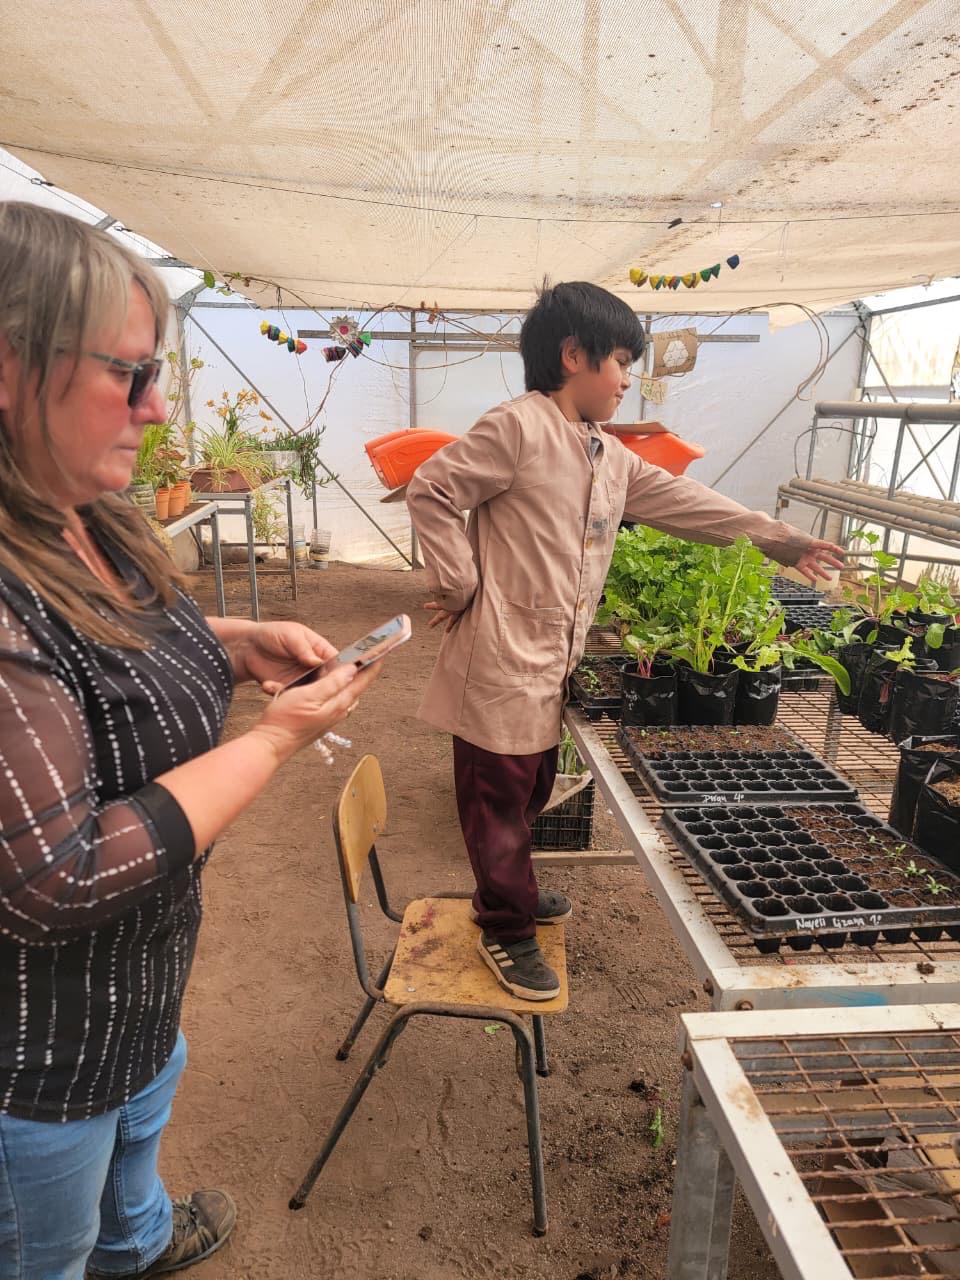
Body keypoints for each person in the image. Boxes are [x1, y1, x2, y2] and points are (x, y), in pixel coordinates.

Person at [0, 201, 382, 1280]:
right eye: (130, 374)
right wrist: (272, 742)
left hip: (133, 989)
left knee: (132, 1146)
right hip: (35, 1053)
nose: (158, 408)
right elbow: (54, 880)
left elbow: (102, 651)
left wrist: (229, 639)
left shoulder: (90, 510)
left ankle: (141, 1238)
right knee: (44, 1243)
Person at [406, 280, 843, 1002]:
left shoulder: (606, 454)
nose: (628, 379)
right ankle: (504, 927)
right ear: (572, 355)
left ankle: (512, 889)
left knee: (533, 787)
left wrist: (777, 538)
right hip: (502, 656)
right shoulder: (517, 428)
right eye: (620, 362)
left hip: (553, 658)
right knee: (498, 799)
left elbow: (685, 502)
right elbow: (432, 488)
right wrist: (458, 585)